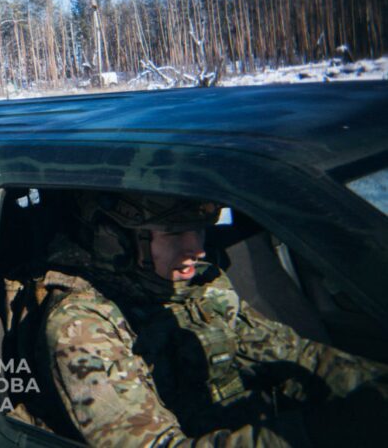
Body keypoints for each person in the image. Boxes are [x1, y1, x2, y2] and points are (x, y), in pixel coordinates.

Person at [32, 192, 388, 447]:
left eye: (199, 229)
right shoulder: (81, 326)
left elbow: (291, 353)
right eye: (174, 233)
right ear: (116, 241)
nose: (198, 248)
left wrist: (373, 388)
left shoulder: (198, 285)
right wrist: (308, 435)